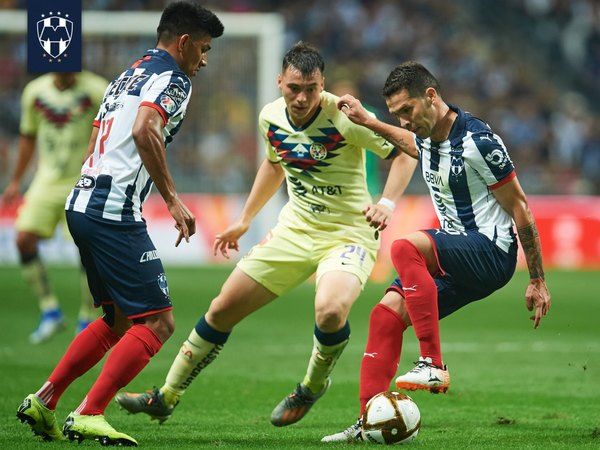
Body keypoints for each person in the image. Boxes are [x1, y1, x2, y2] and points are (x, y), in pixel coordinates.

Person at [114, 41, 417, 428]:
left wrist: (388, 203)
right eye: (294, 88)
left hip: (349, 233)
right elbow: (275, 164)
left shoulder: (345, 118)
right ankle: (167, 395)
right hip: (295, 229)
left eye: (311, 89)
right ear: (279, 82)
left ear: (323, 84)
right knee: (222, 308)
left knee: (329, 311)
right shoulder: (270, 117)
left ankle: (311, 386)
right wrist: (244, 219)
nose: (303, 98)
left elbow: (408, 150)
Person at [16, 2, 224, 446]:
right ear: (184, 42)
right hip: (113, 212)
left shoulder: (128, 74)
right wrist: (172, 199)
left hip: (83, 201)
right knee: (158, 324)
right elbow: (145, 128)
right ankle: (90, 412)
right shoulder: (174, 78)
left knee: (116, 320)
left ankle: (45, 399)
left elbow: (97, 136)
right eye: (204, 49)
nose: (205, 60)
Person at [321, 61, 552, 443]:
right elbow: (413, 144)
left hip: (491, 251)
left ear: (431, 97)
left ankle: (432, 362)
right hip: (459, 257)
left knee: (405, 247)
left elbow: (520, 207)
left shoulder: (479, 141)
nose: (404, 120)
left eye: (407, 111)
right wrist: (369, 121)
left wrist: (538, 279)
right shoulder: (427, 136)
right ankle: (366, 422)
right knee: (385, 316)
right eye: (397, 114)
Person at [2, 71, 108, 343]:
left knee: (87, 248)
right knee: (24, 239)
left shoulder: (97, 89)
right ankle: (50, 311)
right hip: (46, 181)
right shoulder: (35, 91)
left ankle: (87, 317)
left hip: (84, 179)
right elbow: (28, 136)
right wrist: (16, 180)